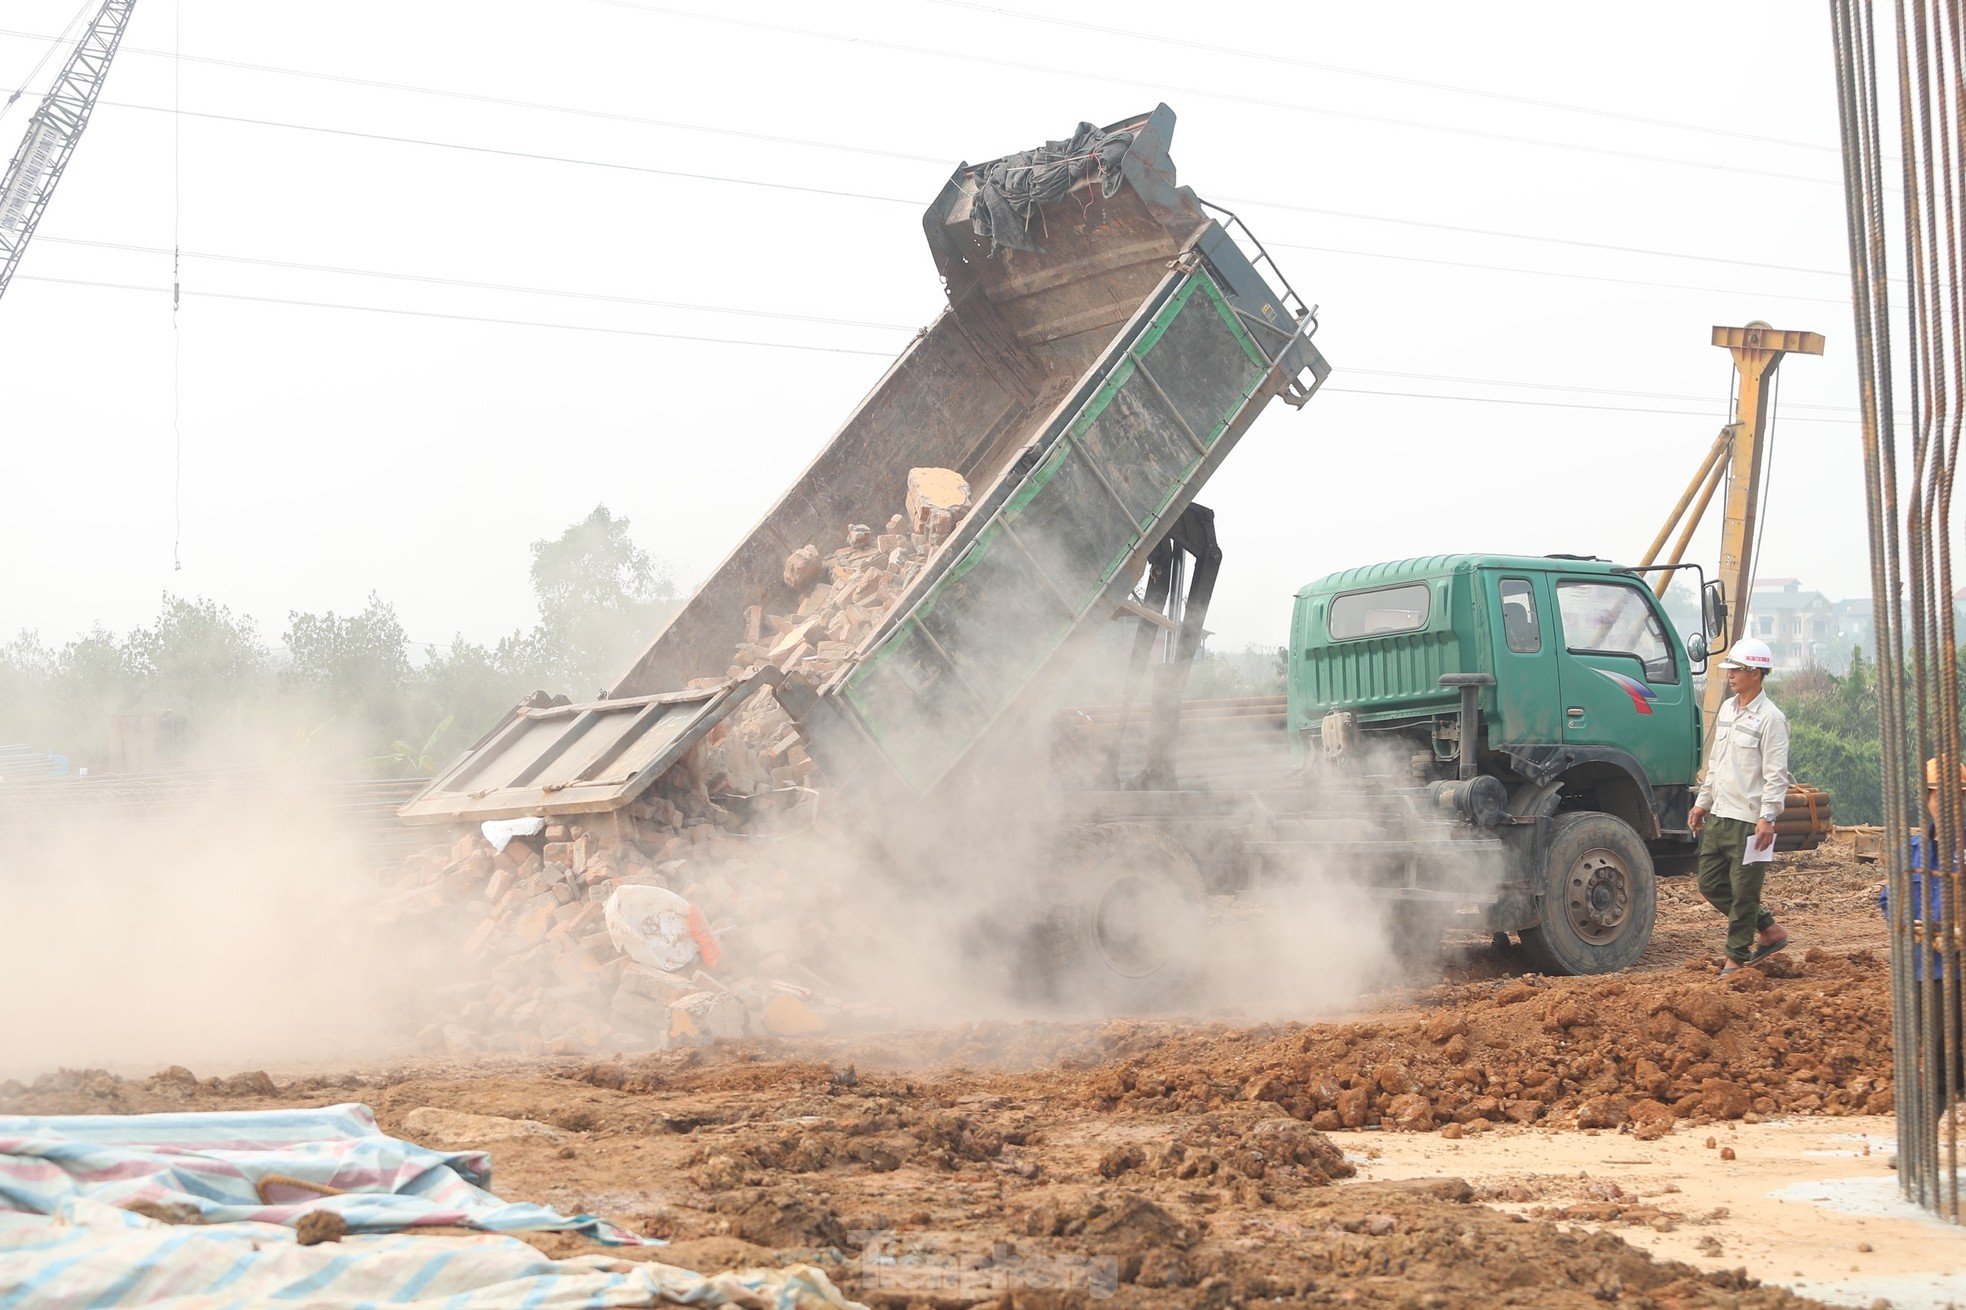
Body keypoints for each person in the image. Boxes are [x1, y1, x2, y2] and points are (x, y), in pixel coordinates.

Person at [1686, 637, 1791, 976]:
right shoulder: (1729, 709)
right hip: (1720, 816)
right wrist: (1703, 802)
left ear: (1757, 674)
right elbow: (1716, 762)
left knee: (1745, 893)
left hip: (1750, 822)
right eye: (1731, 669)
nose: (1731, 675)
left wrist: (1768, 817)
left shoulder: (1772, 719)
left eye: (1739, 670)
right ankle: (1769, 930)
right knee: (1710, 883)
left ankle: (1735, 959)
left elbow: (1776, 774)